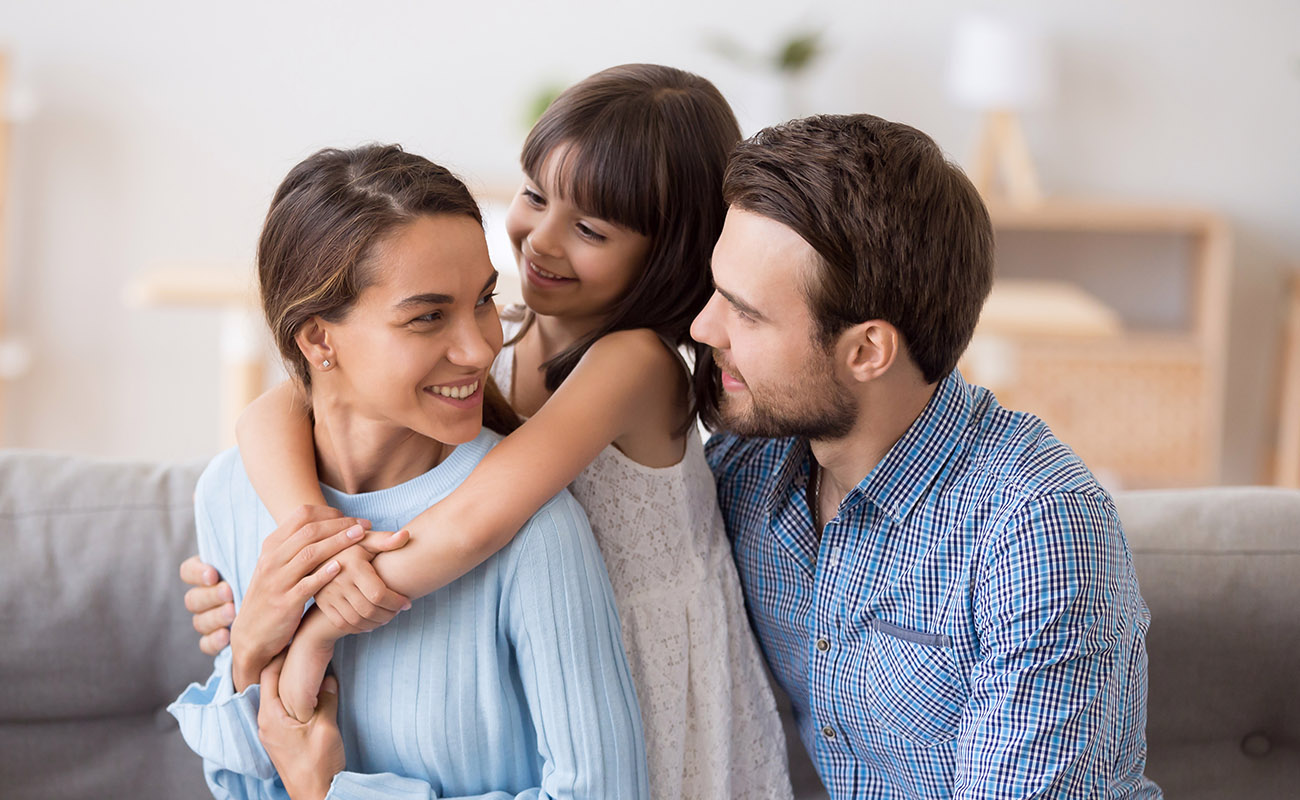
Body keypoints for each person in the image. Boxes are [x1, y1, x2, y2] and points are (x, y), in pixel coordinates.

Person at [185, 64, 792, 799]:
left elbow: (474, 522)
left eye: (591, 228)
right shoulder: (503, 338)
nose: (542, 239)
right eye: (536, 195)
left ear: (664, 252)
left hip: (642, 676)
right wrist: (295, 547)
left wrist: (318, 624)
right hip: (536, 658)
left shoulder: (633, 363)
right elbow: (279, 406)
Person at [691, 114, 1162, 797]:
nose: (704, 328)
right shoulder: (748, 465)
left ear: (867, 351)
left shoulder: (1034, 532)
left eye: (747, 314)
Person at [169, 143, 648, 800]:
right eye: (427, 316)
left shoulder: (537, 534)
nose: (481, 347)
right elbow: (235, 785)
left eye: (485, 299)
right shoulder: (229, 494)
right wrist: (250, 654)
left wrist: (329, 793)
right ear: (318, 339)